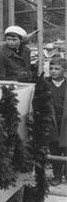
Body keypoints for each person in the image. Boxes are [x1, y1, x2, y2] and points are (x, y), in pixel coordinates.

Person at [46, 57, 66, 185]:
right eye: (51, 69)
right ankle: (57, 175)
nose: (53, 71)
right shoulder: (45, 84)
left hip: (65, 122)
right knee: (54, 149)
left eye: (57, 69)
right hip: (51, 122)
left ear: (64, 70)